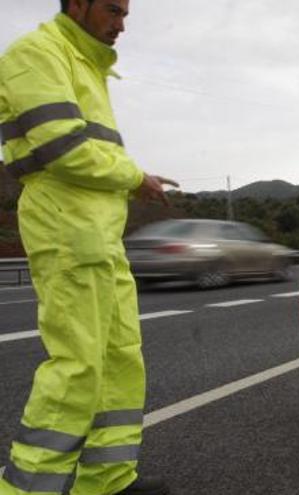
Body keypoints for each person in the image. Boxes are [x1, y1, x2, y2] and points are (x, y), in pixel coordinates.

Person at [0, 1, 175, 494]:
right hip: (64, 226)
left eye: (125, 13)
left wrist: (132, 181)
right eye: (112, 11)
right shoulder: (35, 54)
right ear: (77, 4)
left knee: (120, 358)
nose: (121, 24)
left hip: (100, 230)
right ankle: (27, 490)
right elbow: (62, 148)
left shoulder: (85, 63)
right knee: (77, 366)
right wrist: (136, 177)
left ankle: (107, 480)